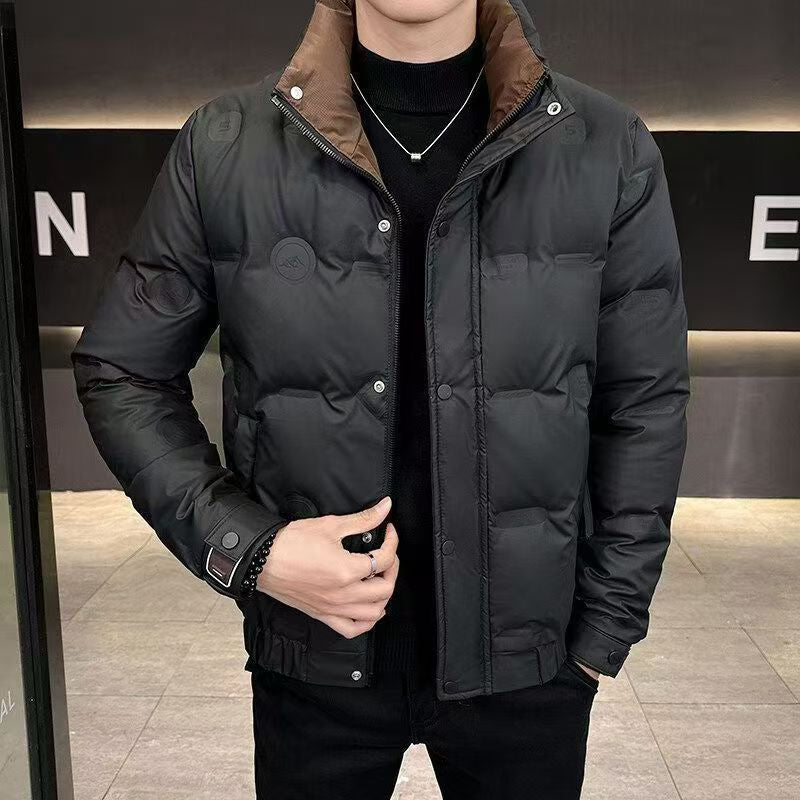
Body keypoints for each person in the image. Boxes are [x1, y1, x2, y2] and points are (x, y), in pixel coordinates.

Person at [72, 0, 690, 797]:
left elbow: (644, 403)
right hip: (314, 661)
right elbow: (123, 370)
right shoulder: (226, 143)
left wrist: (603, 630)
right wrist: (250, 549)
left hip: (531, 670)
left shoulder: (605, 145)